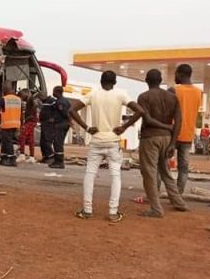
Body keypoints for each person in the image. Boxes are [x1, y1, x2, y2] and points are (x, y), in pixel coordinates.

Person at [69, 70, 144, 222]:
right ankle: (113, 212)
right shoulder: (121, 94)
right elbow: (140, 111)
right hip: (113, 140)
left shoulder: (93, 94)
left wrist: (87, 127)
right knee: (115, 176)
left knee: (90, 174)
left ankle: (87, 209)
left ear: (101, 81)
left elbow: (72, 110)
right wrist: (124, 126)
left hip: (96, 140)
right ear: (115, 82)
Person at [136, 69, 187, 218]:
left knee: (149, 174)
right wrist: (173, 142)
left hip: (150, 138)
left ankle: (156, 209)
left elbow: (148, 120)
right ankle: (179, 202)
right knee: (166, 171)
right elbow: (179, 121)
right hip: (167, 139)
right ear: (161, 80)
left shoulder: (144, 97)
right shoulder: (172, 97)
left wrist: (165, 128)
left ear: (146, 80)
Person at [170, 64, 202, 193]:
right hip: (188, 135)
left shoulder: (173, 90)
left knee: (162, 165)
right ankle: (179, 194)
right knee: (183, 168)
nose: (174, 77)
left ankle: (157, 192)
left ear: (181, 74)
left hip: (172, 133)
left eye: (176, 74)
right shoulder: (199, 92)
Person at [0, 83, 22, 167]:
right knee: (5, 141)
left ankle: (11, 159)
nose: (2, 91)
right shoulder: (18, 99)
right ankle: (4, 157)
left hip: (7, 123)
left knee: (8, 141)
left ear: (5, 90)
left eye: (3, 89)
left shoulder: (4, 99)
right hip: (15, 123)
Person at [48, 86, 71, 169]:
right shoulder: (64, 101)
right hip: (62, 124)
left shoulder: (60, 102)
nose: (52, 93)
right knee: (57, 143)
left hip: (60, 125)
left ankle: (59, 162)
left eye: (53, 91)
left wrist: (54, 119)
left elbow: (65, 113)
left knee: (58, 143)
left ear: (57, 92)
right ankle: (57, 160)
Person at [17, 89, 38, 163]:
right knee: (30, 139)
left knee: (22, 135)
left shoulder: (31, 101)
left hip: (30, 121)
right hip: (31, 121)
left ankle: (22, 154)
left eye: (21, 95)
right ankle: (32, 157)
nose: (20, 98)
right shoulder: (29, 102)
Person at [38, 92, 58, 164]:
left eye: (40, 97)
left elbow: (57, 110)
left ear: (44, 95)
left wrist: (53, 118)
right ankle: (45, 156)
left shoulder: (51, 101)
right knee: (42, 141)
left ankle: (50, 157)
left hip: (49, 124)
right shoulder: (44, 102)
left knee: (47, 140)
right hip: (44, 123)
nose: (39, 99)